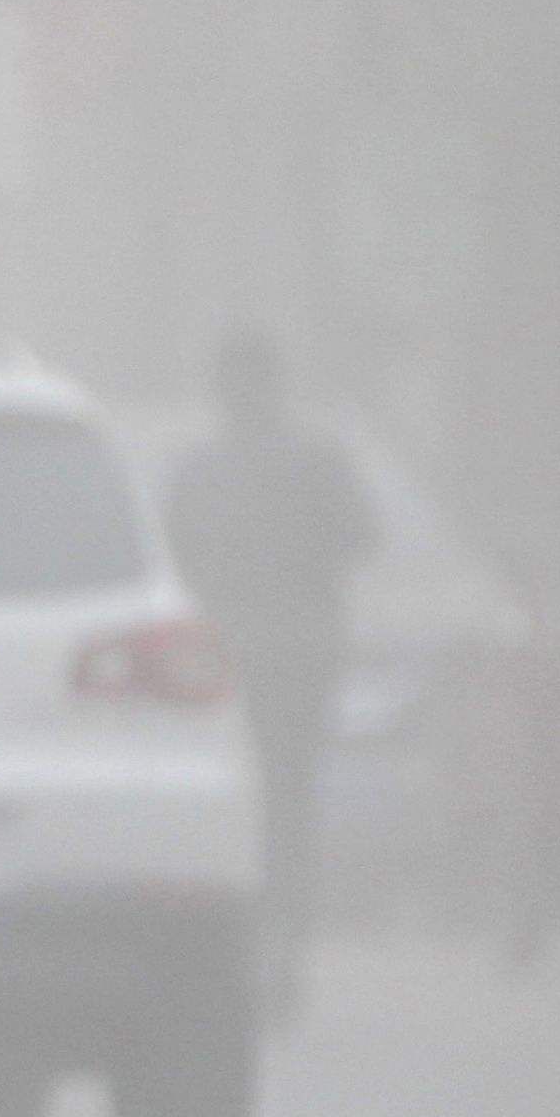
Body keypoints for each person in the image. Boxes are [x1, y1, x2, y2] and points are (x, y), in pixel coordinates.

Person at [162, 326, 373, 994]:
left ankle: (272, 947)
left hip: (254, 663)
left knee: (264, 805)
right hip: (269, 660)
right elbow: (363, 537)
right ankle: (271, 946)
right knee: (277, 805)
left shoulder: (209, 468)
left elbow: (170, 558)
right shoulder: (308, 460)